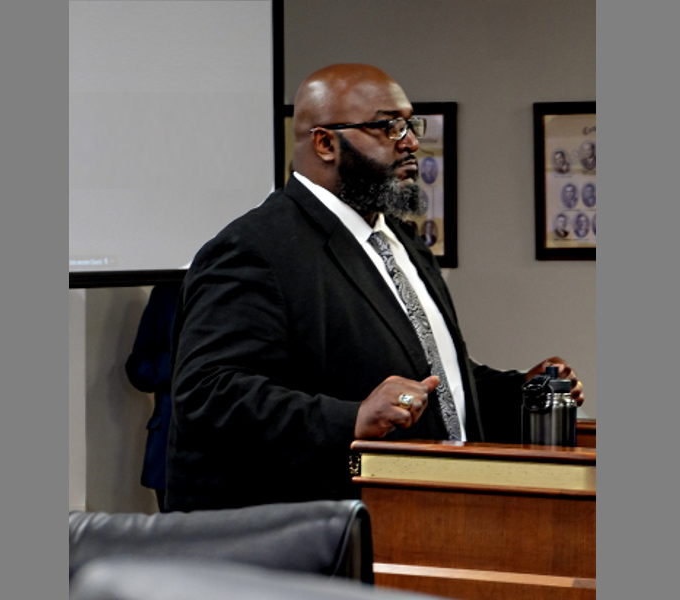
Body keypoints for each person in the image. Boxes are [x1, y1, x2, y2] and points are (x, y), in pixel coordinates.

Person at [166, 64, 584, 512]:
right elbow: (209, 393)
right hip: (321, 531)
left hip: (437, 508)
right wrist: (352, 419)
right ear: (326, 143)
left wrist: (521, 389)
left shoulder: (399, 242)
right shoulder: (254, 248)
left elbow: (431, 374)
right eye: (388, 127)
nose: (409, 142)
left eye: (409, 124)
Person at [124, 282, 182, 512]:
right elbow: (138, 367)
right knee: (175, 542)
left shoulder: (242, 286)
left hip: (231, 449)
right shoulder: (168, 291)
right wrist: (181, 366)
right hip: (169, 445)